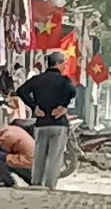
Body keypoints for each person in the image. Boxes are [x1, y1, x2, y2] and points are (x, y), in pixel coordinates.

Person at [20, 54, 82, 187]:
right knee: (54, 157)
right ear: (58, 63)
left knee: (39, 156)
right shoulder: (64, 81)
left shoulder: (37, 80)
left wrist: (34, 107)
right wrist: (63, 106)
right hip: (58, 124)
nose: (65, 66)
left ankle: (36, 183)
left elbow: (21, 91)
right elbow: (72, 91)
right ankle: (50, 184)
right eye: (63, 63)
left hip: (41, 123)